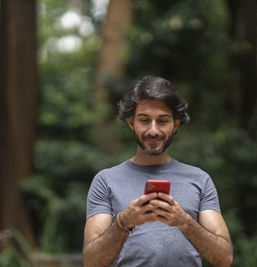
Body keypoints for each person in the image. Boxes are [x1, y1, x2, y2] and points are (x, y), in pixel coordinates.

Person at [83, 76, 233, 267]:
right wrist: (123, 222)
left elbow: (224, 259)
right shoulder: (106, 181)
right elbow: (91, 262)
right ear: (131, 123)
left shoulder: (200, 179)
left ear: (175, 125)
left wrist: (185, 222)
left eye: (162, 121)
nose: (153, 131)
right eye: (144, 120)